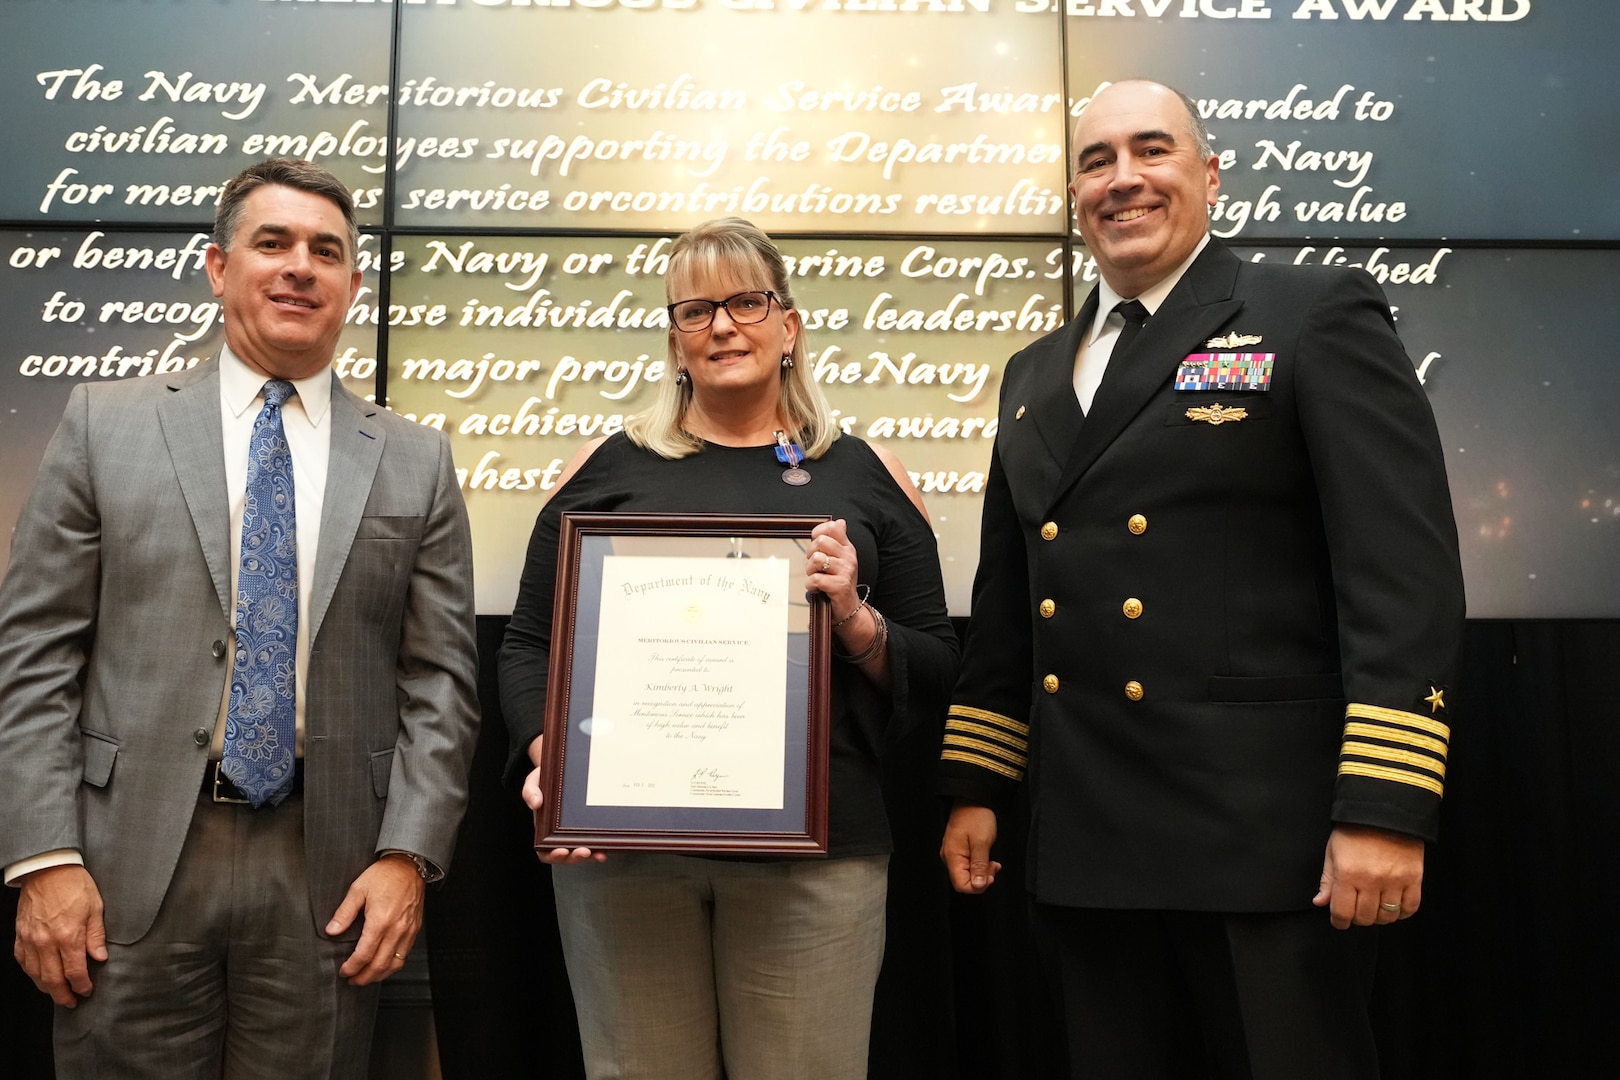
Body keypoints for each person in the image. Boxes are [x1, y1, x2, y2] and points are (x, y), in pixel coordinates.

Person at [938, 80, 1465, 1079]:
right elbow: (1012, 611)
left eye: (1152, 150)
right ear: (1073, 194)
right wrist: (978, 782)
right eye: (1097, 161)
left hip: (1270, 841)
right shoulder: (1035, 372)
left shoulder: (1308, 313)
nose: (1123, 178)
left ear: (1210, 175)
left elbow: (1402, 575)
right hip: (1091, 835)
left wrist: (1385, 806)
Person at [0, 158, 481, 1078]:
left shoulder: (416, 460)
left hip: (329, 875)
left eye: (326, 251)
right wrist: (43, 857)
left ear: (351, 286)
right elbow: (35, 655)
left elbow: (441, 681)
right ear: (219, 268)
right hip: (122, 866)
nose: (301, 265)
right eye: (274, 242)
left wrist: (409, 857)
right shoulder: (105, 423)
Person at [498, 217, 958, 1080]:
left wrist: (855, 615)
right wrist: (551, 759)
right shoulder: (602, 468)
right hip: (626, 859)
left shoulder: (869, 474)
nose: (722, 326)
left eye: (747, 301)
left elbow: (937, 668)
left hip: (818, 861)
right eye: (696, 309)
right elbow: (529, 644)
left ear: (789, 326)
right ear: (673, 339)